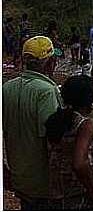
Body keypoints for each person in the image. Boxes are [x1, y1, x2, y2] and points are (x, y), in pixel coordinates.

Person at [3, 36, 64, 209]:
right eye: (54, 58)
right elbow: (52, 141)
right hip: (43, 182)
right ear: (50, 62)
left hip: (19, 176)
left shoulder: (7, 88)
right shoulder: (47, 92)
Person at [45, 75, 93, 210]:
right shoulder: (84, 125)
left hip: (56, 193)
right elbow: (79, 163)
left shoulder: (55, 120)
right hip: (79, 196)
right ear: (88, 100)